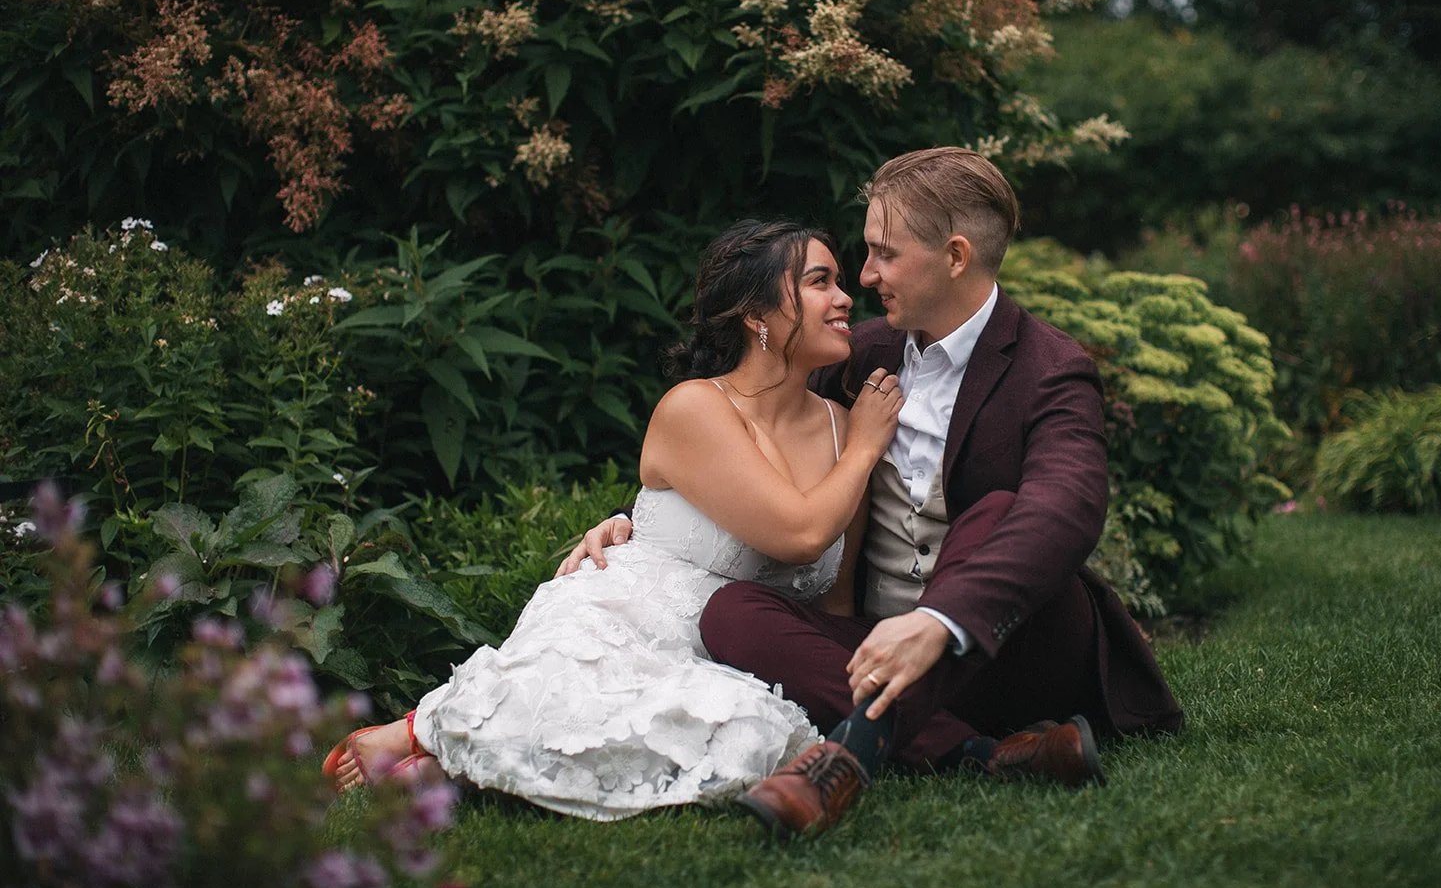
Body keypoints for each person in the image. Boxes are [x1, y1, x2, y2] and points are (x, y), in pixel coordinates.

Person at [575, 148, 1183, 837]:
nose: (864, 276)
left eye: (883, 254)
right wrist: (644, 521)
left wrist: (939, 621)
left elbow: (1065, 507)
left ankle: (854, 749)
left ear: (955, 257)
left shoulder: (1051, 369)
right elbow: (746, 442)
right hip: (865, 647)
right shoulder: (858, 354)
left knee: (997, 509)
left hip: (1010, 648)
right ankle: (984, 755)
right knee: (731, 613)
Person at [322, 219, 906, 820]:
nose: (845, 298)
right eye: (820, 282)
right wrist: (865, 449)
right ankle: (423, 733)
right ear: (756, 314)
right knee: (592, 703)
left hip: (731, 653)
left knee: (750, 733)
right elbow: (802, 534)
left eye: (839, 281)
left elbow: (832, 605)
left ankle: (450, 767)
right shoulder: (695, 407)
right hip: (625, 623)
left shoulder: (845, 427)